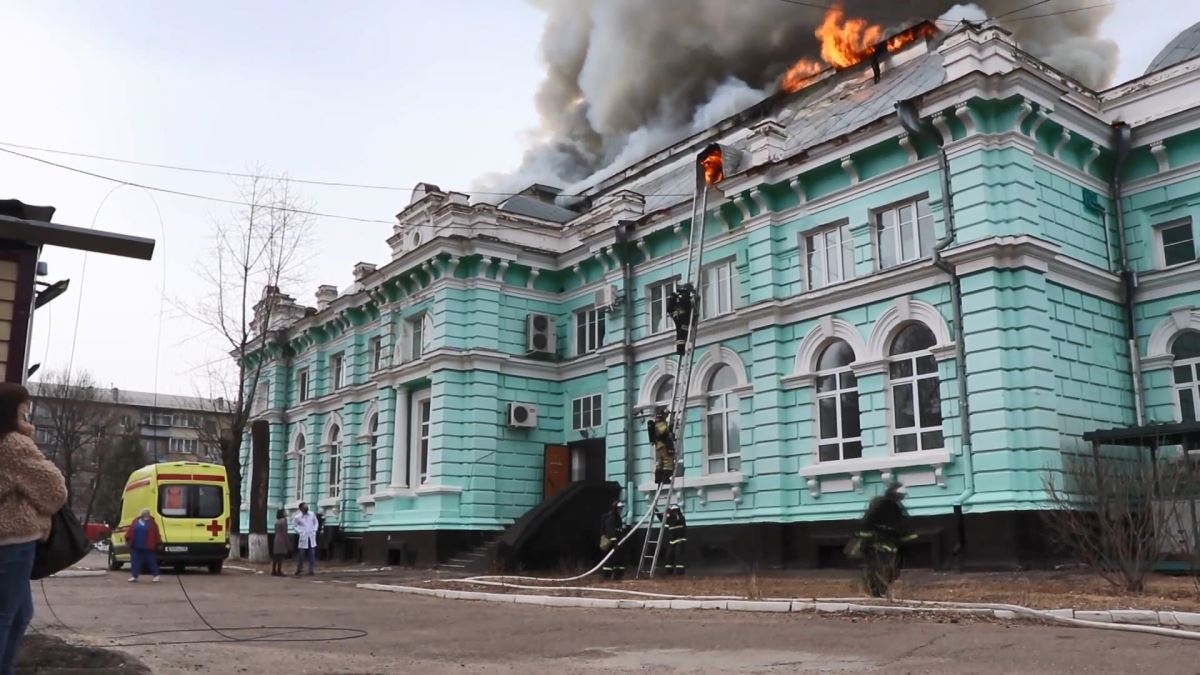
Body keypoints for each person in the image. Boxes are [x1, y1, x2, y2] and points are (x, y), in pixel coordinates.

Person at [0, 383, 68, 675]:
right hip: (13, 539)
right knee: (5, 615)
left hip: (9, 541)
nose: (27, 411)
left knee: (20, 614)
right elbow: (54, 490)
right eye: (23, 406)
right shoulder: (13, 444)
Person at [851, 483, 916, 598]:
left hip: (890, 542)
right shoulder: (880, 506)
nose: (902, 498)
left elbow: (900, 523)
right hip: (875, 543)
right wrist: (867, 539)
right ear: (894, 494)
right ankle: (875, 591)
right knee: (878, 567)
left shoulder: (895, 507)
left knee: (891, 569)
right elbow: (867, 523)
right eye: (900, 495)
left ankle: (882, 590)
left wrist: (906, 536)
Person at [128, 508, 161, 583]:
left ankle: (156, 575)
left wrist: (157, 542)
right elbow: (130, 530)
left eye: (146, 513)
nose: (145, 514)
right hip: (136, 544)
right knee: (135, 561)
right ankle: (134, 576)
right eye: (144, 513)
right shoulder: (136, 521)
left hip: (148, 545)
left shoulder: (152, 523)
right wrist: (128, 538)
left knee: (151, 560)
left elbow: (156, 533)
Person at [665, 283, 697, 356]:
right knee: (683, 332)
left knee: (680, 332)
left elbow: (669, 309)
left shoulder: (677, 295)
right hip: (682, 316)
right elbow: (687, 305)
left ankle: (680, 349)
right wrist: (694, 300)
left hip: (676, 316)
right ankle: (682, 349)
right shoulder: (684, 296)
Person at [647, 410, 677, 485]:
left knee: (660, 462)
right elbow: (663, 433)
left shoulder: (657, 423)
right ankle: (665, 478)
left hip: (659, 446)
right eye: (666, 415)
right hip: (664, 445)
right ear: (662, 415)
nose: (666, 416)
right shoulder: (661, 423)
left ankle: (658, 478)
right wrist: (670, 430)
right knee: (668, 461)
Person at [599, 500, 627, 580]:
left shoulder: (617, 518)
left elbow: (617, 529)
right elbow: (610, 531)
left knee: (619, 559)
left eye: (621, 508)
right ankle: (606, 576)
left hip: (618, 542)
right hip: (611, 544)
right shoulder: (611, 518)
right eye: (619, 508)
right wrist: (614, 543)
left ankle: (618, 576)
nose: (620, 510)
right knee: (610, 560)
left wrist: (624, 530)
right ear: (615, 508)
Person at [661, 504, 687, 576]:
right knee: (669, 555)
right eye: (673, 510)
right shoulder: (670, 518)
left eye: (675, 510)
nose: (674, 512)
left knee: (679, 556)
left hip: (680, 539)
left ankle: (680, 573)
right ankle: (669, 572)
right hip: (672, 540)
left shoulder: (680, 517)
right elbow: (663, 520)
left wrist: (669, 513)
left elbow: (676, 520)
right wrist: (656, 511)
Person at [293, 503, 318, 576]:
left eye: (307, 506)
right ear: (301, 509)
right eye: (305, 507)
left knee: (312, 554)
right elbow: (294, 526)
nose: (306, 508)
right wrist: (300, 532)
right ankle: (299, 569)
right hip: (303, 537)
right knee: (301, 554)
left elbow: (316, 522)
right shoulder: (298, 517)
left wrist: (314, 530)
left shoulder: (312, 514)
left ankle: (311, 570)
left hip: (311, 536)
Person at [271, 509, 290, 576]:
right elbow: (285, 532)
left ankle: (273, 570)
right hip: (282, 539)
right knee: (281, 556)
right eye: (285, 512)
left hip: (276, 538)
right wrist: (288, 543)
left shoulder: (277, 521)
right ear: (282, 513)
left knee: (276, 556)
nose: (286, 513)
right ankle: (279, 571)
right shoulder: (284, 521)